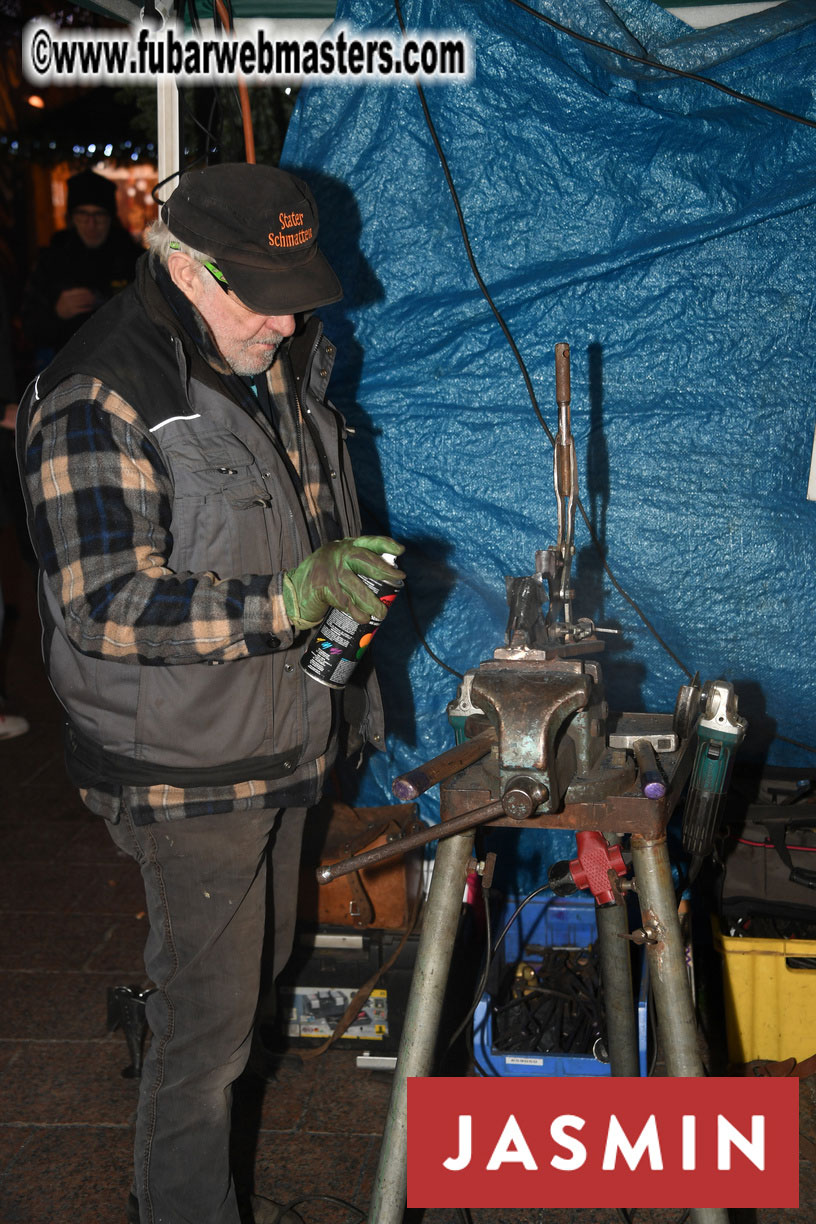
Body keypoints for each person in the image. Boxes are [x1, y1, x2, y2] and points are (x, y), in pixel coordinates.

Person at [17, 162, 404, 1224]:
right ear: (186, 268)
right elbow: (103, 605)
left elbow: (299, 515)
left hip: (282, 734)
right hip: (185, 768)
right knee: (208, 1039)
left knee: (250, 982)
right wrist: (289, 598)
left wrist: (343, 597)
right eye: (263, 298)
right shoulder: (100, 395)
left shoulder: (273, 355)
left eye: (297, 296)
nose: (285, 322)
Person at [21, 168, 143, 371]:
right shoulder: (51, 262)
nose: (91, 224)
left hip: (123, 368)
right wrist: (57, 313)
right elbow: (30, 326)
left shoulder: (134, 260)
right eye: (83, 214)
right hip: (66, 370)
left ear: (110, 218)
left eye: (99, 215)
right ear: (72, 218)